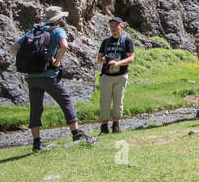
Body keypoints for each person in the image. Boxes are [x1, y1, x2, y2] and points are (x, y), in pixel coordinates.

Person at [12, 8, 88, 151]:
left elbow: (14, 48)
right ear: (58, 19)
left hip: (32, 77)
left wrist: (30, 64)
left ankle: (36, 143)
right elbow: (64, 46)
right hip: (49, 75)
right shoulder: (57, 30)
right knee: (65, 101)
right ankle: (76, 133)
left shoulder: (34, 31)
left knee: (35, 109)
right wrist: (56, 62)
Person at [96, 17, 134, 134]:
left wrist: (117, 63)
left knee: (118, 101)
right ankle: (104, 127)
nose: (113, 28)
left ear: (121, 26)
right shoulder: (106, 42)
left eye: (116, 26)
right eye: (111, 26)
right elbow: (98, 59)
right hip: (106, 76)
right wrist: (104, 60)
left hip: (121, 75)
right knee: (104, 101)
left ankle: (116, 126)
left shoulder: (127, 41)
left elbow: (131, 58)